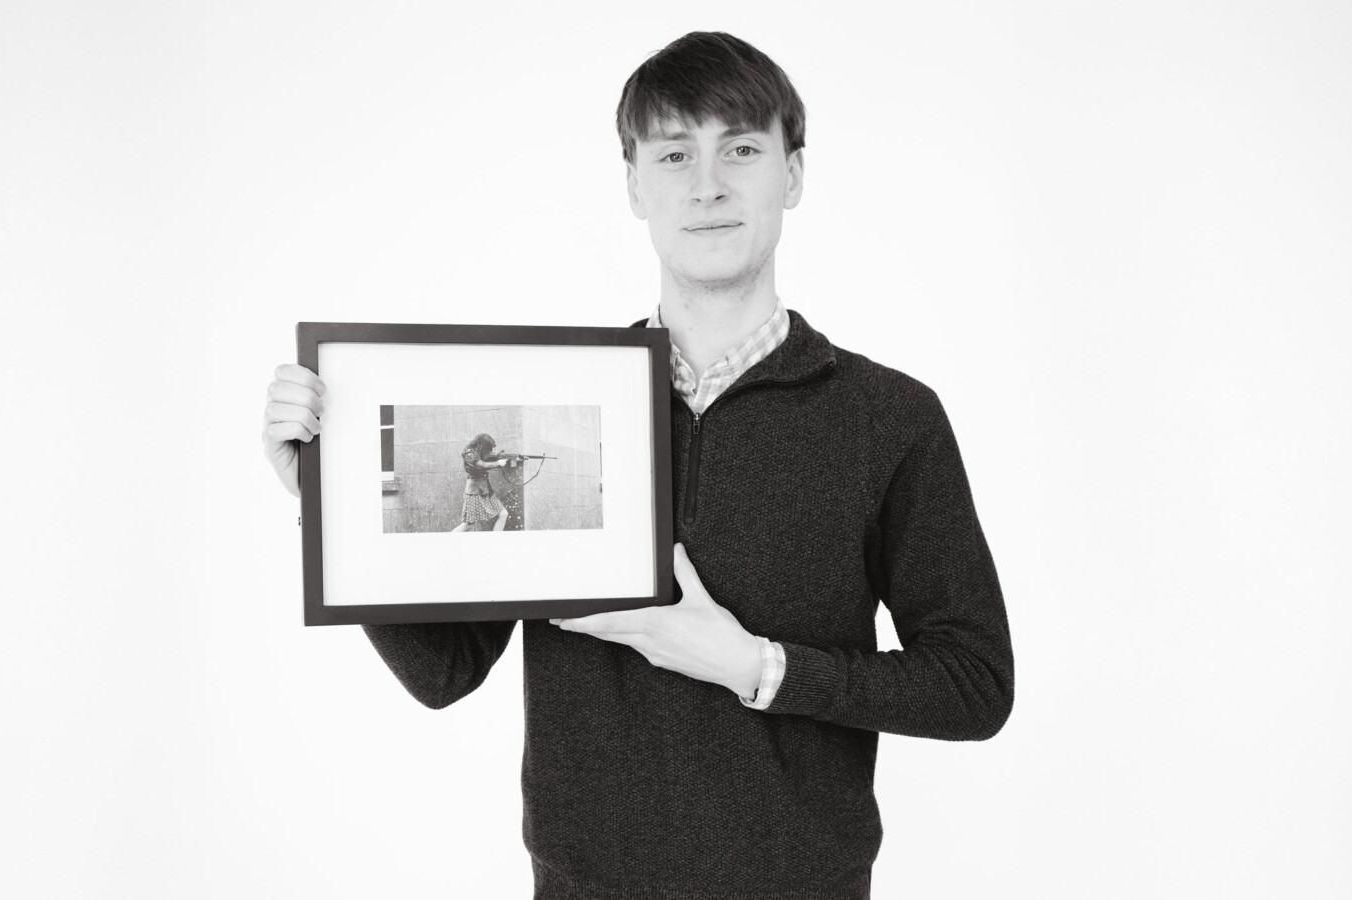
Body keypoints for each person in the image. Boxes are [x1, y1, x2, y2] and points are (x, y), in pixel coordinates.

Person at [260, 31, 1013, 899]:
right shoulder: (560, 404)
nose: (707, 185)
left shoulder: (889, 419)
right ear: (634, 186)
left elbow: (973, 684)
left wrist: (755, 666)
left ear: (793, 174)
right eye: (674, 153)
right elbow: (444, 674)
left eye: (740, 148)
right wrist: (330, 497)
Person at [453, 432, 512, 533]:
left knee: (503, 514)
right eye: (488, 448)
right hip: (474, 492)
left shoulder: (477, 450)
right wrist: (498, 463)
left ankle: (495, 543)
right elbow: (481, 464)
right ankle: (447, 541)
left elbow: (487, 457)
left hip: (485, 491)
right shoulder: (470, 453)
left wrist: (501, 457)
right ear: (482, 446)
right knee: (467, 525)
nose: (489, 451)